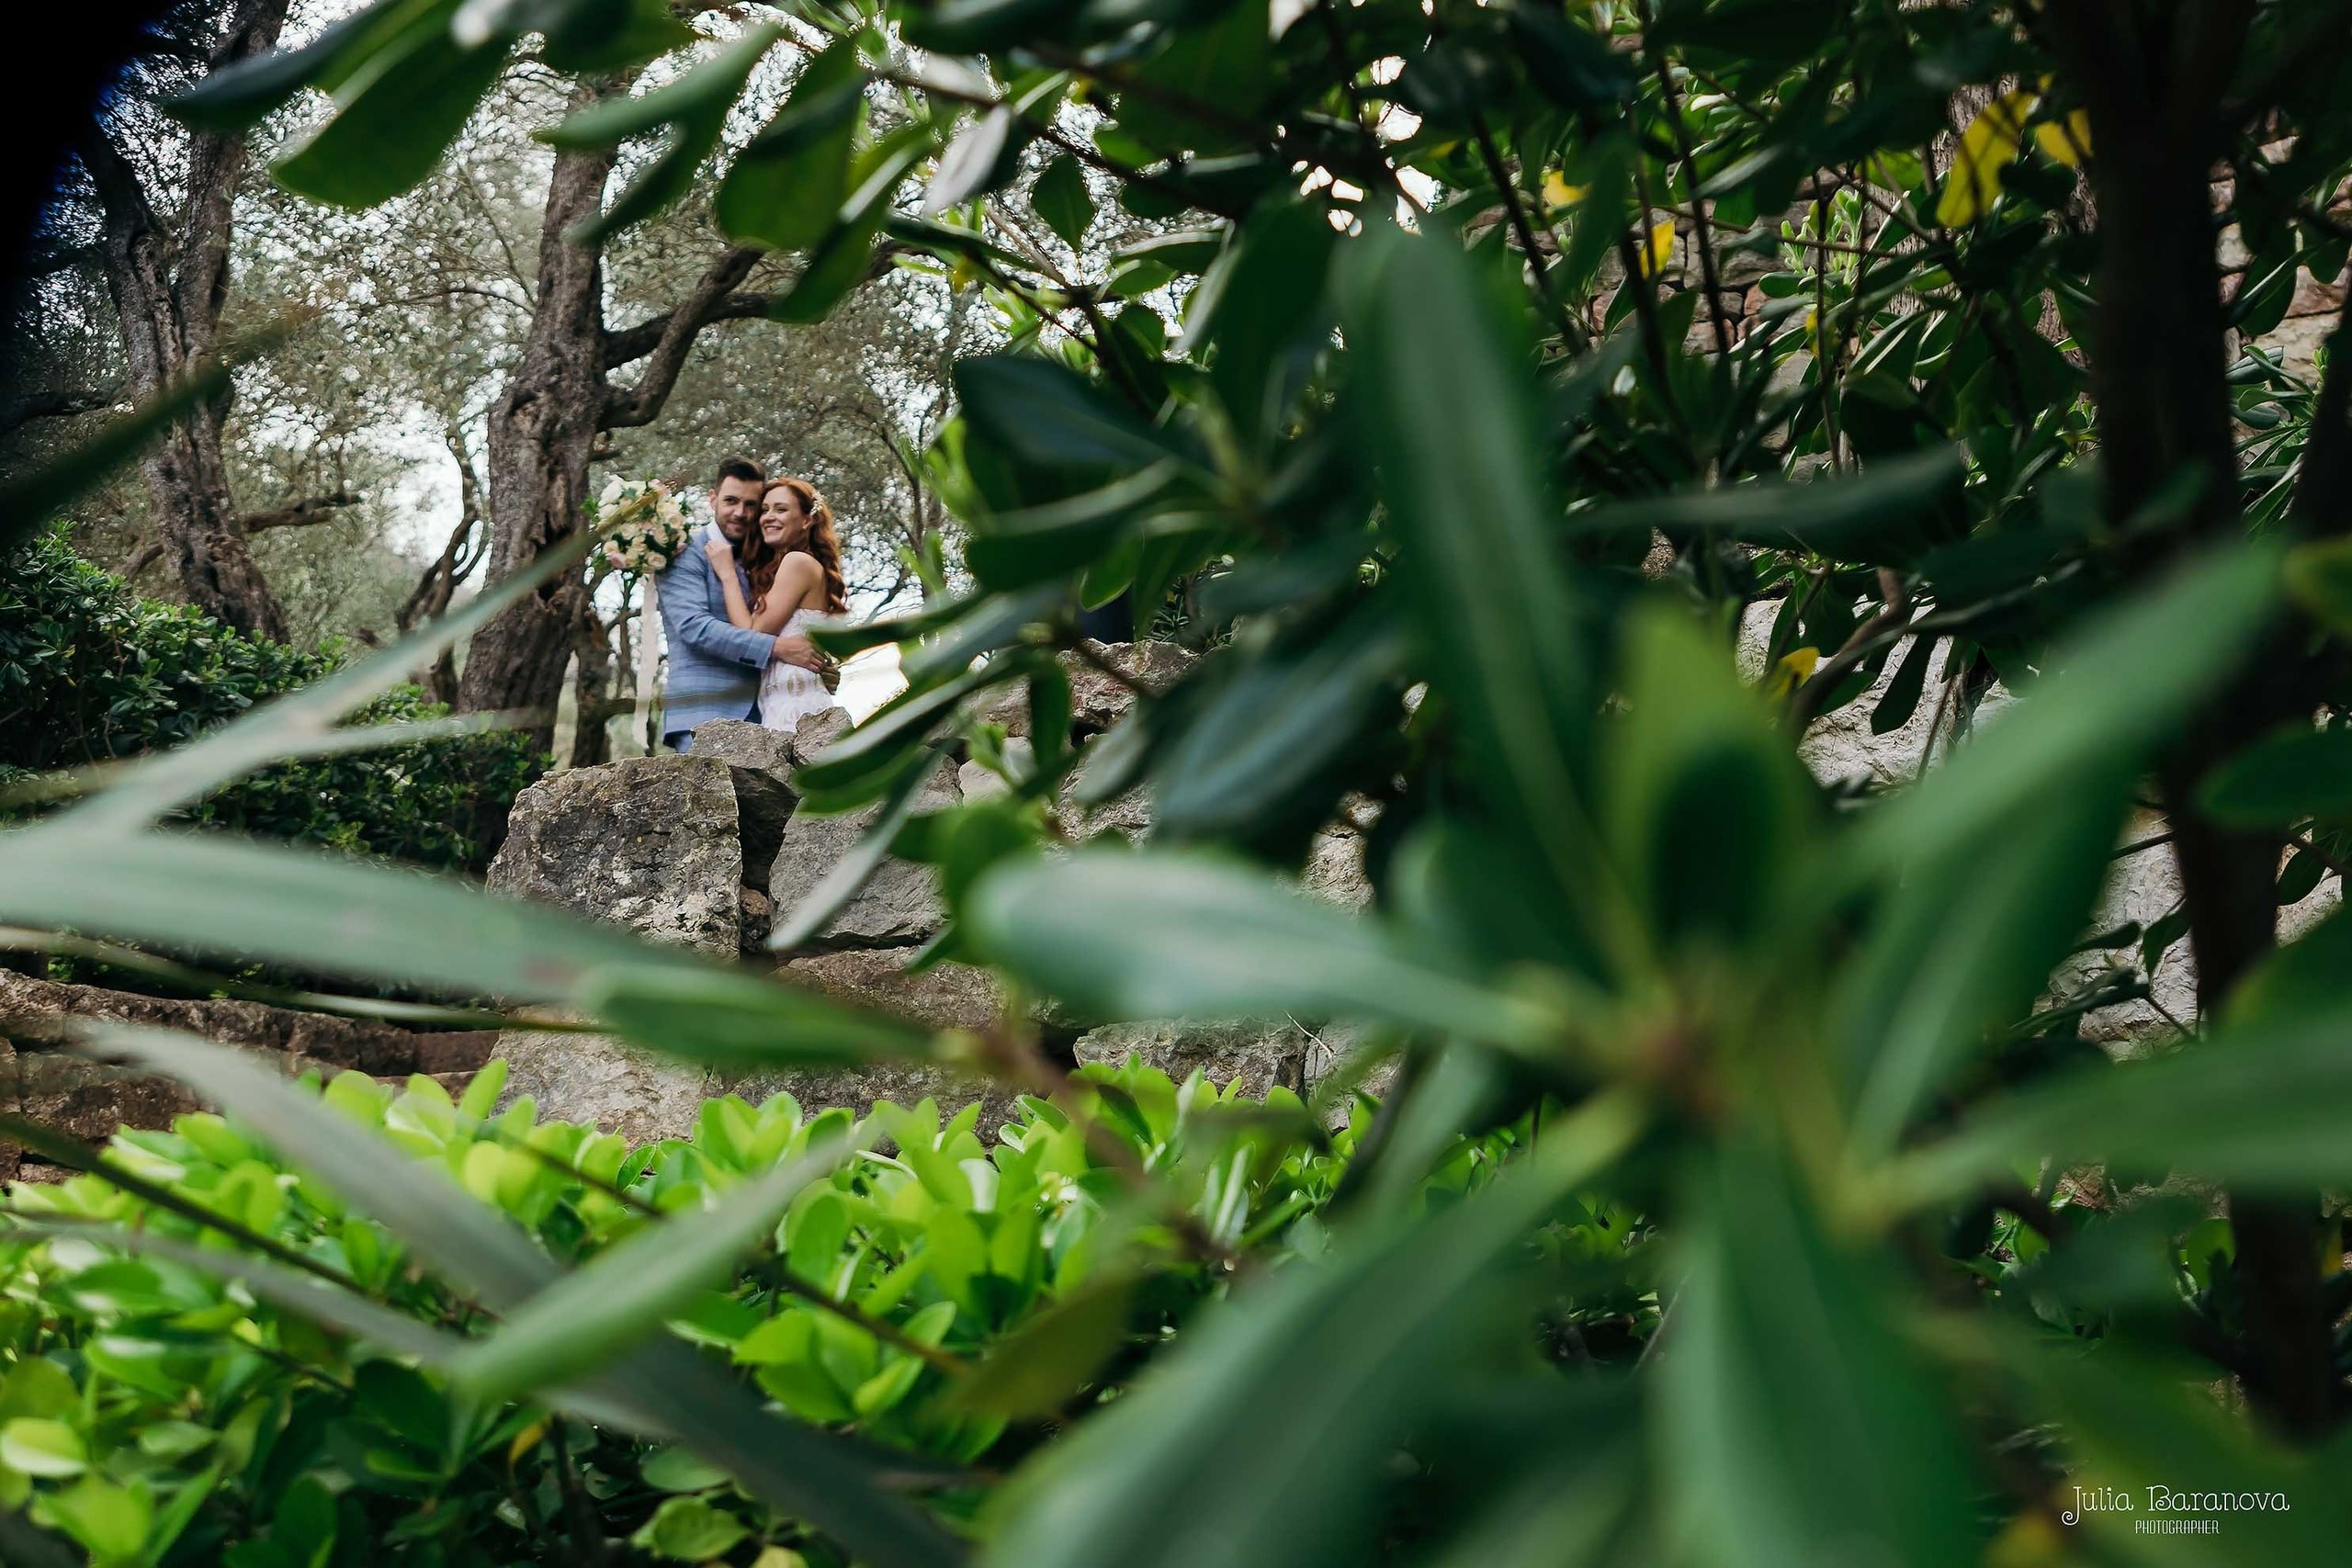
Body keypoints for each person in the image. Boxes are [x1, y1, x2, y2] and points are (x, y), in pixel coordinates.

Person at [653, 457, 831, 752]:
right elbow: (695, 628)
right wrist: (777, 648)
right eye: (731, 501)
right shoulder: (684, 551)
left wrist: (817, 663)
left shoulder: (763, 556)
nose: (741, 513)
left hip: (767, 712)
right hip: (703, 712)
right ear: (712, 499)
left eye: (751, 505)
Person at [706, 476, 850, 734]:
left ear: (807, 520)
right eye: (765, 510)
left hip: (796, 706)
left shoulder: (798, 562)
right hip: (778, 702)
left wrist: (727, 574)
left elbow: (752, 634)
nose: (768, 517)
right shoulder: (789, 567)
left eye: (781, 509)